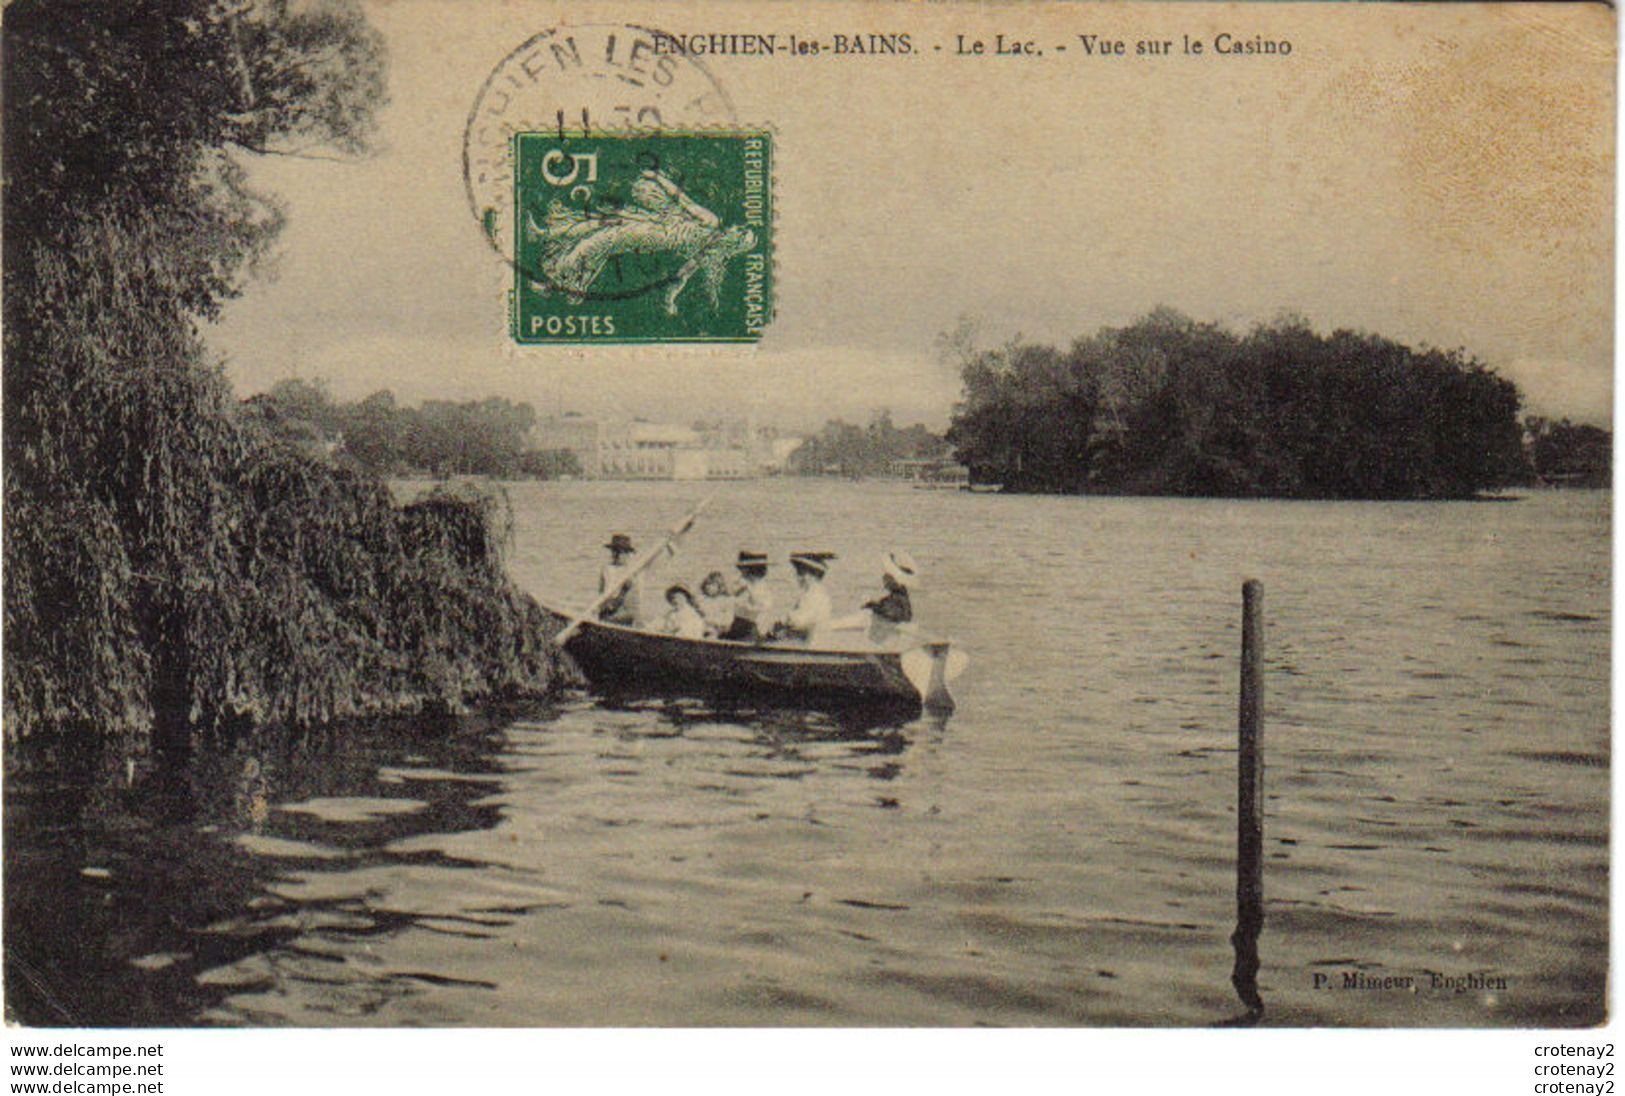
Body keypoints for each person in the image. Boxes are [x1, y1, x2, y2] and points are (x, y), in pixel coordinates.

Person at [771, 551, 836, 643]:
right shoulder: (809, 594)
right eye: (798, 574)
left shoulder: (817, 595)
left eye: (802, 574)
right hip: (804, 638)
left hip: (812, 642)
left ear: (814, 575)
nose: (798, 578)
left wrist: (785, 620)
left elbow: (801, 621)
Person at [862, 549, 918, 645]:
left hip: (890, 637)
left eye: (887, 579)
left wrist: (876, 608)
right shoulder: (896, 597)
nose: (884, 582)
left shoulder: (898, 598)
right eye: (885, 579)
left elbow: (894, 614)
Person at [721, 550, 774, 640]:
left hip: (751, 630)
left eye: (743, 569)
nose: (741, 572)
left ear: (751, 570)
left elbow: (761, 609)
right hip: (739, 626)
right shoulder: (744, 584)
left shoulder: (760, 587)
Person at [597, 533, 640, 625]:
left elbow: (632, 603)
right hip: (607, 610)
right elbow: (601, 592)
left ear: (627, 554)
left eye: (620, 552)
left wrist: (623, 593)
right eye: (614, 551)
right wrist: (605, 605)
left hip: (623, 611)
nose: (616, 555)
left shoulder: (632, 572)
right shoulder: (606, 569)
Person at [697, 571, 734, 636]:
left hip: (719, 630)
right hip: (702, 627)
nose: (709, 587)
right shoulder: (702, 600)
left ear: (719, 586)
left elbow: (728, 620)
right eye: (707, 584)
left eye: (713, 585)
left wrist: (712, 621)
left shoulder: (725, 601)